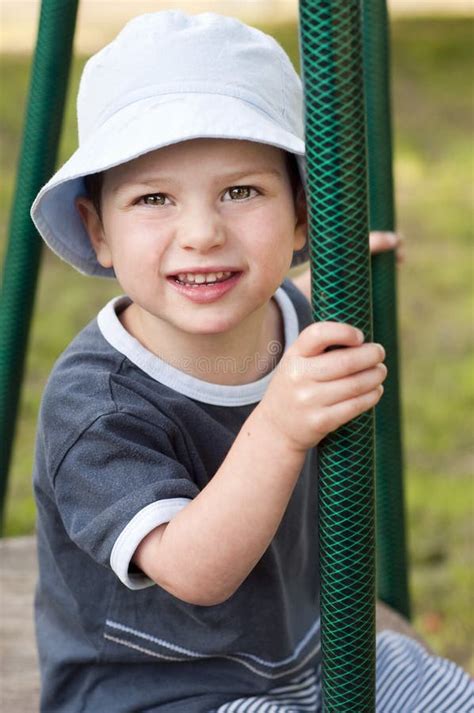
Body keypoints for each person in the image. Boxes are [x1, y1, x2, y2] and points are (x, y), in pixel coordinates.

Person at [30, 11, 472, 713]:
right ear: (97, 229)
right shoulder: (95, 407)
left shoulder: (288, 317)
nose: (203, 233)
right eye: (153, 198)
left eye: (242, 192)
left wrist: (337, 271)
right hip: (156, 692)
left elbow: (278, 296)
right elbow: (192, 569)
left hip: (308, 655)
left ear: (302, 214)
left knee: (445, 693)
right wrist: (280, 426)